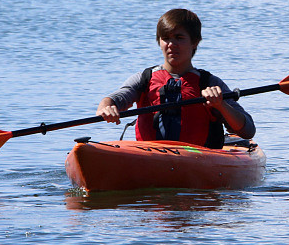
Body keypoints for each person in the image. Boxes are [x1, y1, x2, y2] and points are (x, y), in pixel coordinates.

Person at [96, 9, 255, 148]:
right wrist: (106, 107)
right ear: (159, 42)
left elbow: (248, 130)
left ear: (195, 42)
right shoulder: (144, 79)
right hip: (150, 155)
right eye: (166, 38)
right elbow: (116, 98)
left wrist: (221, 105)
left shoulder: (209, 83)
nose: (171, 44)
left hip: (198, 157)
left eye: (179, 37)